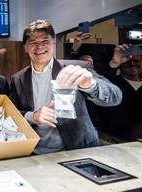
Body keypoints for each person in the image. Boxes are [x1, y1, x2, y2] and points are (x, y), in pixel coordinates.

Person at [9, 19, 122, 155]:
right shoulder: (18, 78)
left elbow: (115, 97)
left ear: (54, 43)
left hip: (78, 151)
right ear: (26, 47)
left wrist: (90, 84)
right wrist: (32, 116)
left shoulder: (77, 68)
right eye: (33, 43)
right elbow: (12, 114)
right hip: (35, 153)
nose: (39, 47)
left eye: (45, 41)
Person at [96, 44, 142, 141]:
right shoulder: (111, 83)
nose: (132, 64)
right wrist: (113, 63)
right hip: (115, 139)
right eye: (127, 62)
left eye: (136, 61)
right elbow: (97, 80)